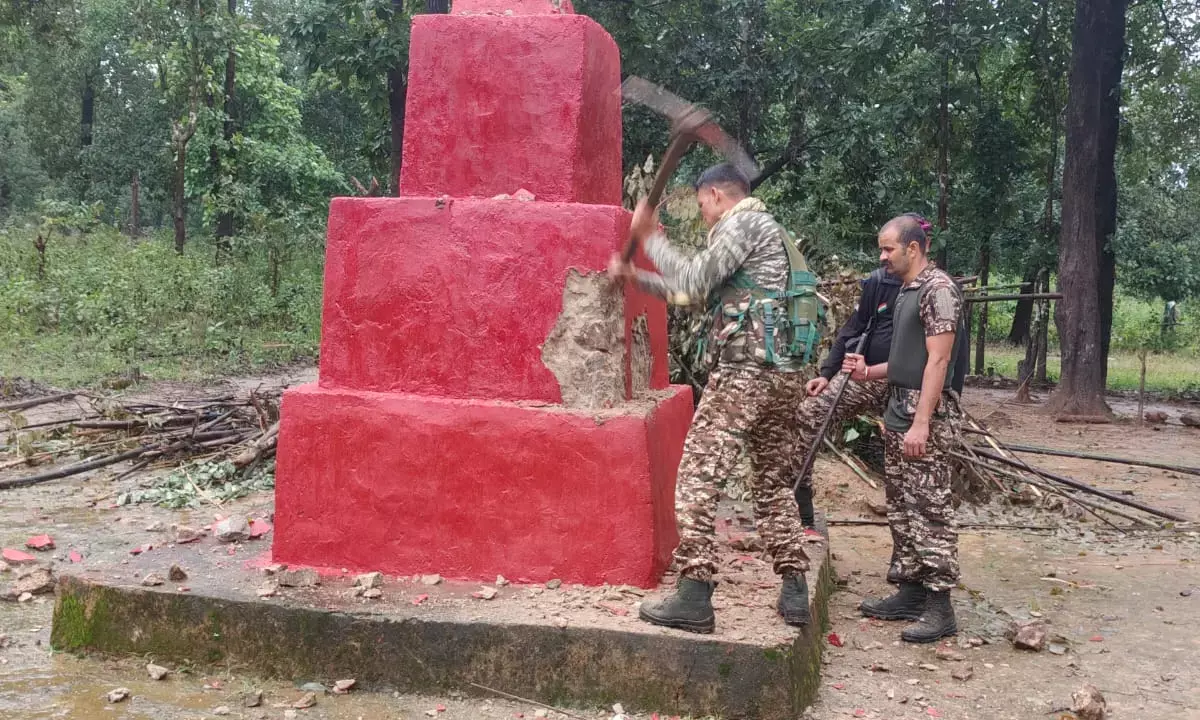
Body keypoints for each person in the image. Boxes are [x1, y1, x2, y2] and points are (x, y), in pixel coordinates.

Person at [609, 163, 821, 634]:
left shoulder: (743, 222)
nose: (703, 215)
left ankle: (695, 594)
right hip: (783, 377)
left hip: (746, 374)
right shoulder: (773, 235)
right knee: (771, 484)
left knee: (697, 478)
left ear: (715, 195)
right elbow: (692, 298)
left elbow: (692, 280)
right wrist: (635, 277)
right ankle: (794, 588)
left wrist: (648, 238)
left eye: (702, 204)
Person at [841, 214, 964, 644]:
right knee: (900, 504)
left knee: (930, 508)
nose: (882, 256)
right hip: (898, 409)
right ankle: (910, 590)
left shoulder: (939, 290)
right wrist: (869, 371)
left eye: (889, 248)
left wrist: (922, 423)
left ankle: (939, 605)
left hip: (921, 416)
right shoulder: (907, 291)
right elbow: (906, 359)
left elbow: (938, 361)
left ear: (914, 248)